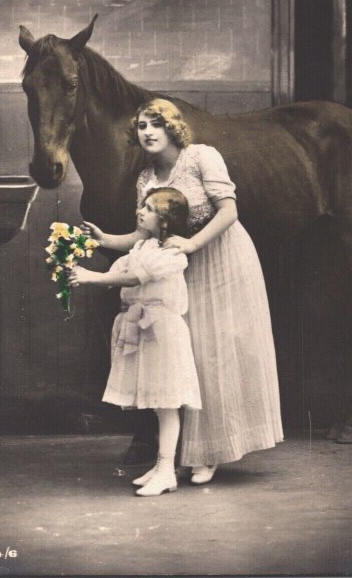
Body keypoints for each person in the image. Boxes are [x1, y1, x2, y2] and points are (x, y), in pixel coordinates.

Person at [81, 98, 283, 485]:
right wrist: (105, 238)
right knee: (189, 357)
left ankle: (211, 453)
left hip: (223, 256)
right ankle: (188, 453)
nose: (149, 132)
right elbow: (143, 235)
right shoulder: (146, 179)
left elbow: (228, 211)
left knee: (217, 352)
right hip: (177, 269)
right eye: (141, 126)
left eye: (156, 123)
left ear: (173, 126)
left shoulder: (202, 156)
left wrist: (191, 244)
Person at [68, 187, 201, 497]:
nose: (141, 210)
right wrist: (86, 252)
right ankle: (160, 464)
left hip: (163, 331)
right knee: (155, 404)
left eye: (151, 208)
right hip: (145, 330)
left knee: (166, 404)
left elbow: (132, 278)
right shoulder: (142, 246)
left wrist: (91, 277)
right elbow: (121, 270)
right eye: (142, 204)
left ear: (167, 221)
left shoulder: (171, 253)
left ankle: (167, 470)